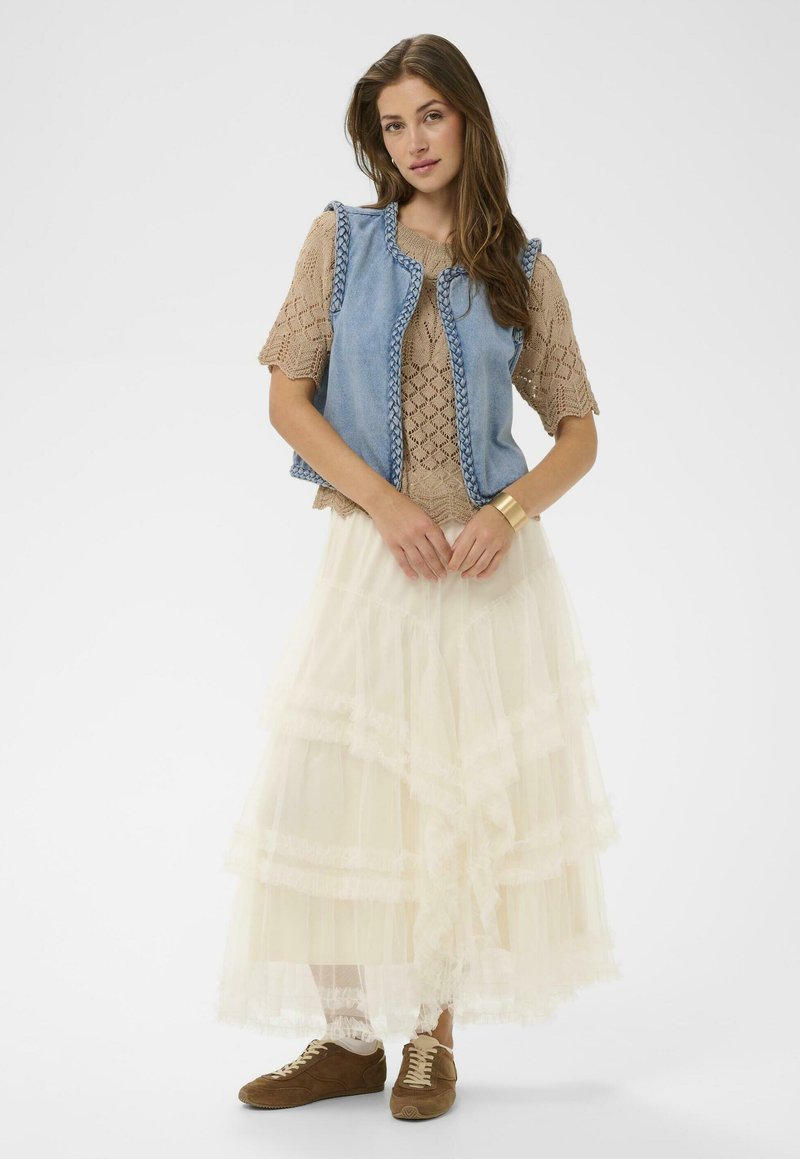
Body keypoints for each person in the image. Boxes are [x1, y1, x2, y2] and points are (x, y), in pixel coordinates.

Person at [216, 33, 621, 1122]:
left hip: (481, 570)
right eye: (393, 125)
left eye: (430, 116)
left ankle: (430, 1041)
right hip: (373, 556)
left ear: (468, 120)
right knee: (327, 787)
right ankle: (349, 1036)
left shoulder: (521, 268)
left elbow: (578, 432)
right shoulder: (340, 243)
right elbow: (287, 398)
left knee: (449, 797)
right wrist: (386, 505)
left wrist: (508, 511)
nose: (413, 141)